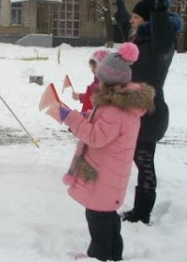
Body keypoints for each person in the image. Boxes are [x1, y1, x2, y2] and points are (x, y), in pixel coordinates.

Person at [54, 42, 155, 261]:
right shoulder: (121, 105)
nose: (96, 81)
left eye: (99, 78)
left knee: (98, 217)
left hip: (105, 175)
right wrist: (86, 116)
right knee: (107, 217)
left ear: (109, 83)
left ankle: (98, 256)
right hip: (110, 172)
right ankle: (112, 255)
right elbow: (102, 126)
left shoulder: (115, 110)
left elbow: (96, 137)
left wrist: (70, 117)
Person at [114, 0, 183, 224]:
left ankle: (142, 212)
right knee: (135, 158)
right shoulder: (140, 41)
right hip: (134, 110)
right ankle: (136, 207)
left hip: (150, 112)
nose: (132, 20)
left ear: (148, 19)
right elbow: (126, 29)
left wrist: (160, 12)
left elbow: (161, 33)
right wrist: (122, 9)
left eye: (136, 17)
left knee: (144, 163)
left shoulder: (161, 44)